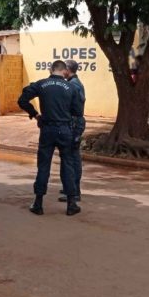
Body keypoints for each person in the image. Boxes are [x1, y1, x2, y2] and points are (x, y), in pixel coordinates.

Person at [18, 60, 83, 216]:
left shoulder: (41, 84)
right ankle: (71, 204)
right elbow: (78, 112)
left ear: (51, 69)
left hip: (47, 129)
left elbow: (22, 100)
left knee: (43, 165)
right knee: (67, 165)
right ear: (64, 70)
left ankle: (38, 203)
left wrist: (35, 114)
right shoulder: (71, 87)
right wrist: (74, 129)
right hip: (65, 129)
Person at [59, 60, 86, 203]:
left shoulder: (74, 85)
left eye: (63, 69)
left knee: (72, 158)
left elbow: (76, 105)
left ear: (68, 70)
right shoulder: (73, 83)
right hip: (74, 122)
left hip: (74, 123)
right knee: (68, 156)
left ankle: (74, 192)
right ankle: (69, 187)